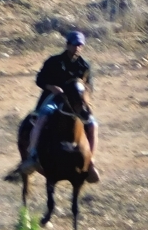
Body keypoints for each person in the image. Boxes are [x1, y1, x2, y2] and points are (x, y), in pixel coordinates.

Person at [16, 30, 99, 182]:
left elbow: (89, 86)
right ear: (67, 45)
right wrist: (51, 87)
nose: (77, 48)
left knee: (93, 124)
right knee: (42, 118)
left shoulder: (84, 65)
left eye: (80, 45)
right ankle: (33, 155)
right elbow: (39, 80)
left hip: (76, 103)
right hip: (54, 98)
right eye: (74, 45)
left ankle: (90, 161)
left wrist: (85, 98)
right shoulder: (54, 62)